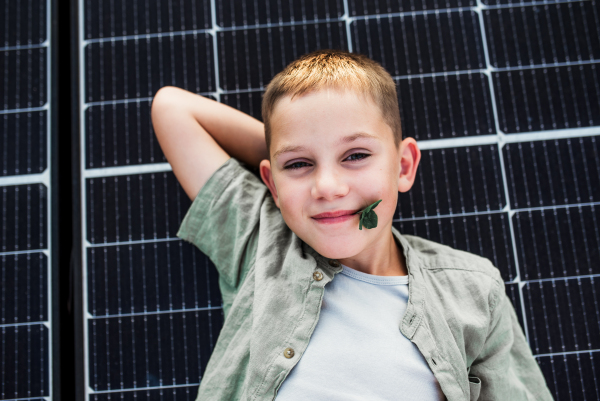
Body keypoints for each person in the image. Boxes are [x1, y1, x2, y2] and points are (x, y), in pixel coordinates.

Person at [150, 49, 553, 401]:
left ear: (404, 165)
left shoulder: (474, 289)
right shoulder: (263, 240)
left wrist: (300, 151)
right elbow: (172, 109)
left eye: (356, 155)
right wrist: (288, 146)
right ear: (271, 182)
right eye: (299, 165)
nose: (327, 187)